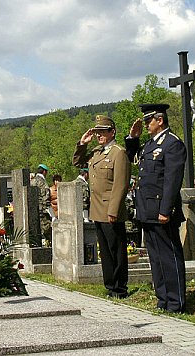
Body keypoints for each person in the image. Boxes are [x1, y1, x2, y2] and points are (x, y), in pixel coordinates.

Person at [125, 104, 186, 312]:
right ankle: (163, 299)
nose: (145, 125)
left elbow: (172, 180)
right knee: (155, 258)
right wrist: (132, 138)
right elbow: (133, 159)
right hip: (147, 210)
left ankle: (176, 302)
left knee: (169, 256)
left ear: (159, 120)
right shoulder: (149, 144)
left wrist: (165, 210)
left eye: (148, 121)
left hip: (162, 210)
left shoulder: (172, 144)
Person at [73, 115, 130, 299]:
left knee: (116, 250)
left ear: (112, 132)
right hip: (97, 209)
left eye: (102, 132)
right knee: (105, 251)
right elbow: (78, 163)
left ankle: (120, 288)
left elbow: (120, 184)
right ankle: (110, 285)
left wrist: (113, 210)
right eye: (97, 132)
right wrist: (82, 144)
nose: (99, 136)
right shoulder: (97, 152)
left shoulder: (118, 153)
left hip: (110, 209)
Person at [32, 164, 52, 244]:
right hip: (43, 212)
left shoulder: (32, 181)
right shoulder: (42, 182)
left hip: (34, 211)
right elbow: (46, 199)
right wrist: (52, 215)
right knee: (48, 233)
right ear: (44, 172)